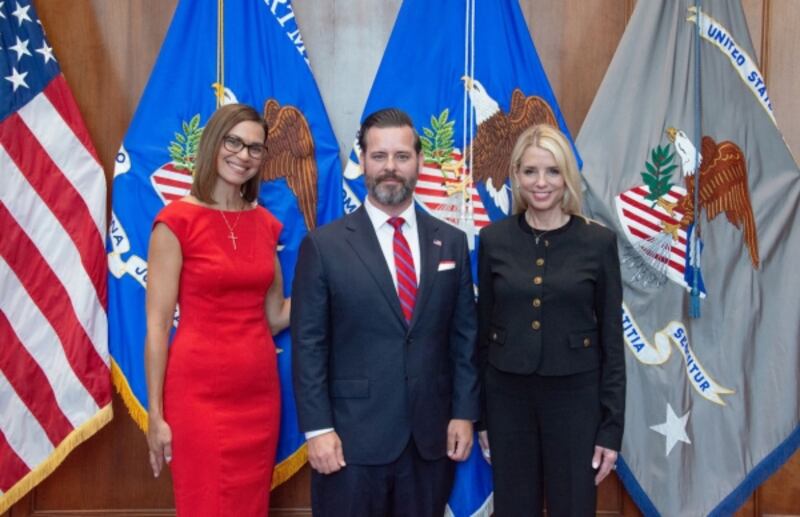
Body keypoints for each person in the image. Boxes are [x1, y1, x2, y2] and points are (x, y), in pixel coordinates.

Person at [291, 108, 479, 516]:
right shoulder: (324, 246)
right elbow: (308, 345)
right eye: (379, 156)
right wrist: (318, 429)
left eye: (402, 156)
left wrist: (465, 413)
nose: (390, 167)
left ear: (420, 162)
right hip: (349, 441)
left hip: (430, 441)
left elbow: (464, 338)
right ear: (361, 162)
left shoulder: (451, 242)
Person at [145, 103, 290, 515]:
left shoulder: (265, 225)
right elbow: (157, 328)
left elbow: (275, 315)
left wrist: (337, 286)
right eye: (234, 142)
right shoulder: (175, 222)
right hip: (198, 398)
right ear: (213, 143)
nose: (243, 155)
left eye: (255, 149)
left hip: (259, 396)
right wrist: (156, 416)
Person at [476, 124, 625, 516]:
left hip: (576, 401)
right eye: (530, 171)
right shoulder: (493, 240)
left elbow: (612, 343)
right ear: (516, 176)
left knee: (574, 507)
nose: (541, 182)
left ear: (567, 178)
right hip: (507, 398)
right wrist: (481, 418)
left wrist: (610, 429)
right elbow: (481, 335)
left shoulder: (599, 242)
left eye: (552, 171)